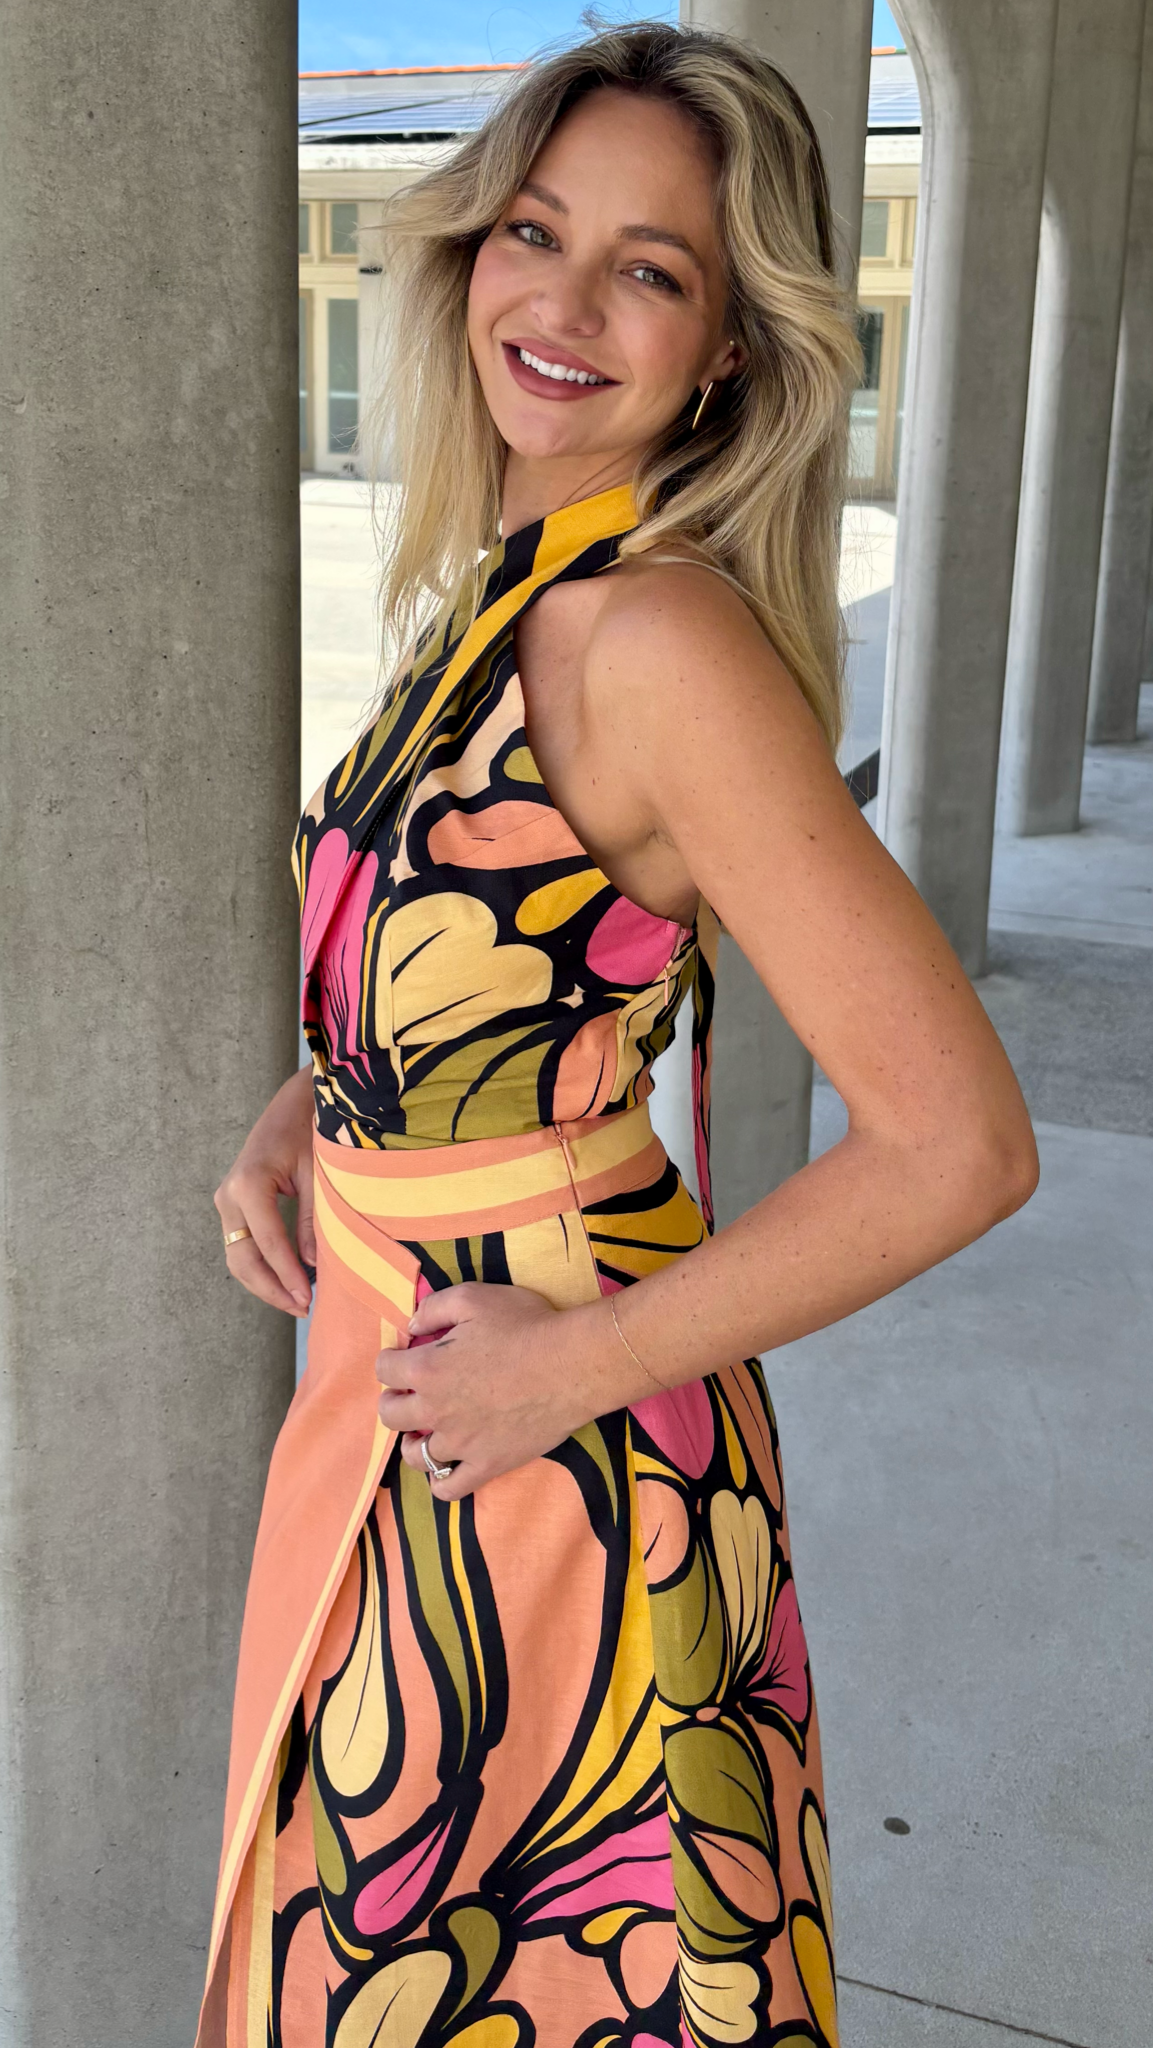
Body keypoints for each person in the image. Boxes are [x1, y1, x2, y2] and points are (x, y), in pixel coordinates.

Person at [197, 23, 1038, 2047]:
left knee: (519, 1978)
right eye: (537, 231)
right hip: (425, 1382)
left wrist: (570, 1368)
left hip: (546, 1427)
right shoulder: (508, 585)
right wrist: (315, 1108)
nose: (563, 303)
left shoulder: (657, 637)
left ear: (728, 347)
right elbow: (507, 952)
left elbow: (959, 1144)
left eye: (648, 270)